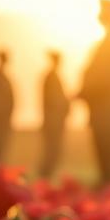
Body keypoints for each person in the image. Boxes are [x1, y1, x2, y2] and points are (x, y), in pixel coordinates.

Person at [79, 0, 110, 185]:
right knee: (104, 156)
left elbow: (109, 76)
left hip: (108, 107)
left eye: (103, 10)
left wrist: (87, 90)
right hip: (100, 107)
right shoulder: (105, 42)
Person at [39, 49, 69, 178]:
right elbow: (54, 100)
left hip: (55, 119)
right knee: (52, 150)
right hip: (53, 120)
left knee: (54, 150)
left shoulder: (53, 76)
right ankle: (44, 176)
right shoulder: (51, 77)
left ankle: (46, 176)